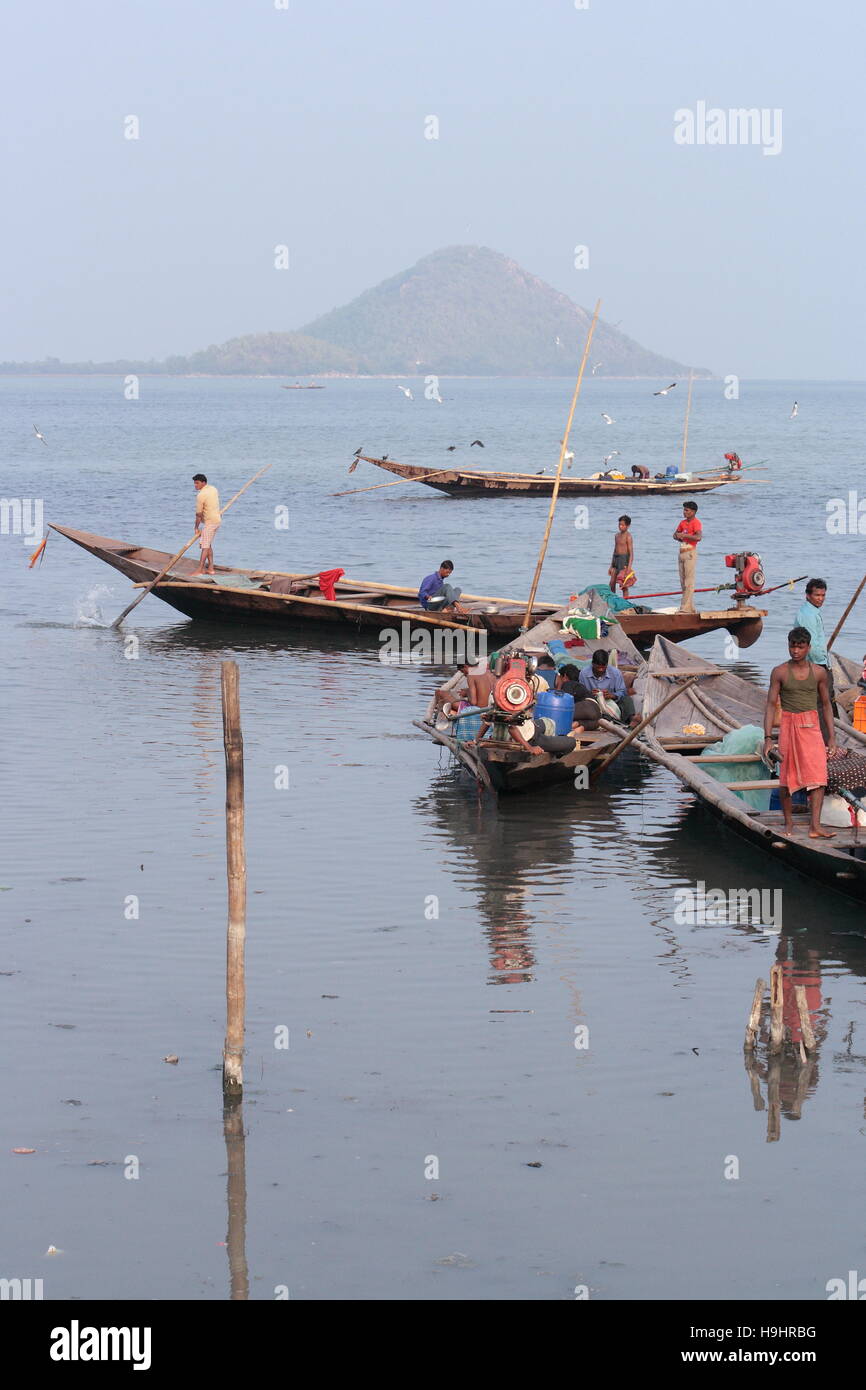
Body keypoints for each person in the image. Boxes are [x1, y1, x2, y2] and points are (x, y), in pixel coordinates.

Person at [763, 626, 841, 839]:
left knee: (818, 776)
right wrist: (768, 738)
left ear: (808, 647)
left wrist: (832, 738)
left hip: (812, 726)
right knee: (786, 777)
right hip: (788, 725)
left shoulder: (818, 672)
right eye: (792, 646)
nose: (795, 651)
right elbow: (770, 705)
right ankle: (788, 824)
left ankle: (814, 826)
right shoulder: (779, 672)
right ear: (788, 646)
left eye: (800, 647)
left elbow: (826, 705)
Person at [795, 578, 837, 741]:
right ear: (808, 595)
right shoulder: (807, 615)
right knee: (821, 705)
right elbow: (809, 644)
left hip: (818, 664)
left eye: (823, 595)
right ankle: (824, 742)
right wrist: (821, 668)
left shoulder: (812, 612)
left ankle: (823, 740)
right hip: (814, 665)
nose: (820, 598)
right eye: (817, 595)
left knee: (823, 704)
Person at [577, 648, 637, 724]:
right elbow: (581, 693)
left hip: (613, 704)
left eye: (603, 667)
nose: (601, 670)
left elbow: (622, 692)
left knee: (627, 699)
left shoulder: (615, 673)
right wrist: (590, 694)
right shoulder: (584, 673)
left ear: (607, 664)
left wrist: (613, 695)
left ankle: (632, 722)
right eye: (598, 667)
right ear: (592, 664)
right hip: (593, 704)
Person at [673, 500, 701, 613]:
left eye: (687, 510)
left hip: (690, 553)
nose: (684, 512)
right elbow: (675, 534)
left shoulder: (696, 522)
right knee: (682, 581)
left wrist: (684, 535)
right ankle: (689, 607)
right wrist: (677, 536)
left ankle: (685, 608)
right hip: (682, 552)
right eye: (684, 510)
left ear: (693, 512)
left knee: (689, 582)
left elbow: (698, 537)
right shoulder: (682, 523)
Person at [191, 473, 220, 576]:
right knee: (208, 545)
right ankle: (211, 568)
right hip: (217, 520)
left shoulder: (201, 495)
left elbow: (198, 515)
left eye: (197, 483)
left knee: (205, 546)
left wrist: (196, 528)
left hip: (210, 522)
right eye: (194, 483)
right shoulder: (213, 489)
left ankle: (200, 569)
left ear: (203, 483)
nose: (195, 485)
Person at [608, 516, 635, 600]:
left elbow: (631, 554)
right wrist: (611, 565)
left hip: (624, 561)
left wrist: (629, 568)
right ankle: (613, 601)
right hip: (616, 559)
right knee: (612, 583)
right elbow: (614, 550)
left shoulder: (628, 536)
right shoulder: (616, 536)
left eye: (623, 525)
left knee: (623, 585)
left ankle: (625, 602)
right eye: (619, 525)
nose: (620, 527)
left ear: (628, 526)